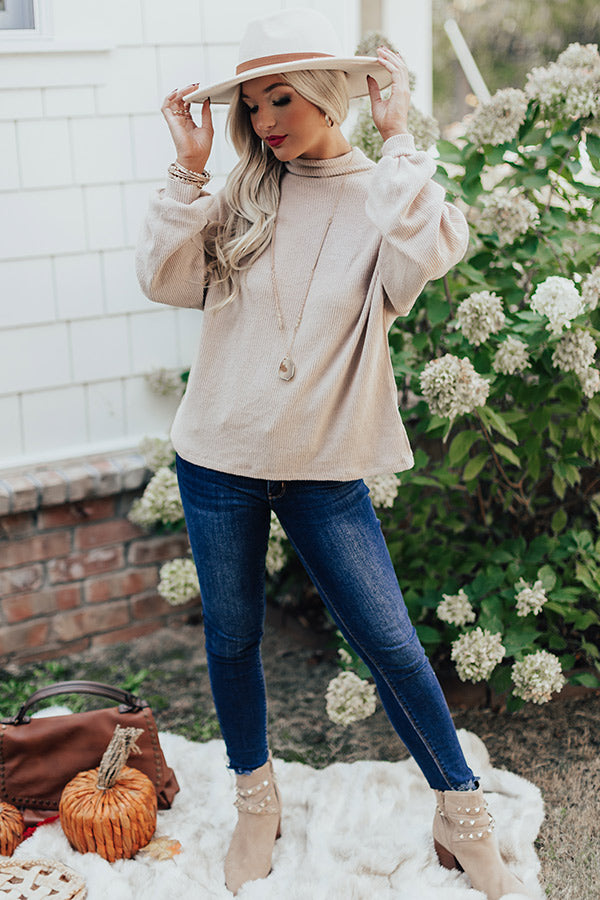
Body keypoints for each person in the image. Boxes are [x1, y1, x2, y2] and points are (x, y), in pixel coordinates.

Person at [136, 8, 535, 898]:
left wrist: (400, 142)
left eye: (282, 99)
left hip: (323, 466)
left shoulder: (387, 196)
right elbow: (165, 281)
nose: (266, 120)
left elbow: (425, 251)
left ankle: (462, 813)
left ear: (328, 96)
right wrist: (190, 170)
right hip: (215, 459)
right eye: (253, 105)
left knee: (391, 644)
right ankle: (255, 802)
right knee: (233, 640)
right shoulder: (242, 190)